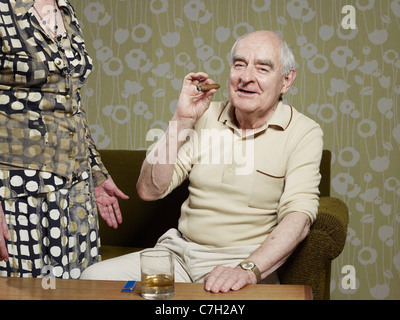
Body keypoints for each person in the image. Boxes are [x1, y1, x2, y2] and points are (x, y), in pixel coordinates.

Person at [81, 30, 323, 293]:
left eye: (263, 68)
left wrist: (248, 269)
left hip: (239, 261)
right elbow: (150, 190)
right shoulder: (207, 116)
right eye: (239, 64)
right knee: (93, 280)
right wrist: (181, 119)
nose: (246, 77)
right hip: (179, 255)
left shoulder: (303, 132)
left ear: (286, 80)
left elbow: (299, 219)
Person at [0, 0, 128, 279]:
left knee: (75, 289)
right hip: (17, 188)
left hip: (75, 185)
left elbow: (72, 102)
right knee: (23, 292)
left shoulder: (66, 10)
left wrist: (95, 172)